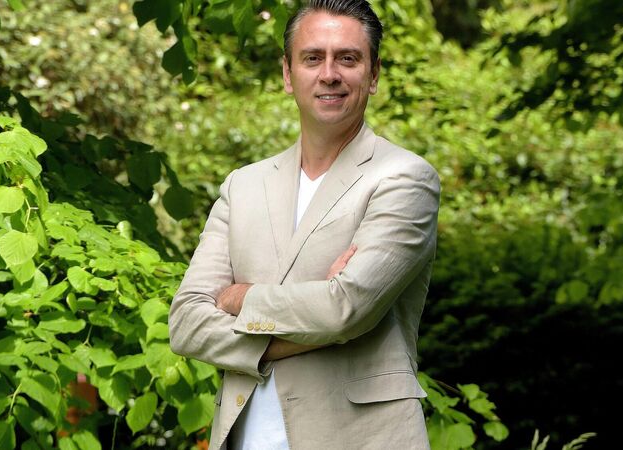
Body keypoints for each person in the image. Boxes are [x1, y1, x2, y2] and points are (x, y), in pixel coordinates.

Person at [168, 0, 440, 448]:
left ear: (373, 75)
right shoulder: (243, 185)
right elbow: (186, 323)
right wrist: (318, 321)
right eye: (313, 58)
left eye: (347, 58)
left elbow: (344, 309)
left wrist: (240, 297)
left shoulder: (404, 178)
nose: (329, 74)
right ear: (288, 74)